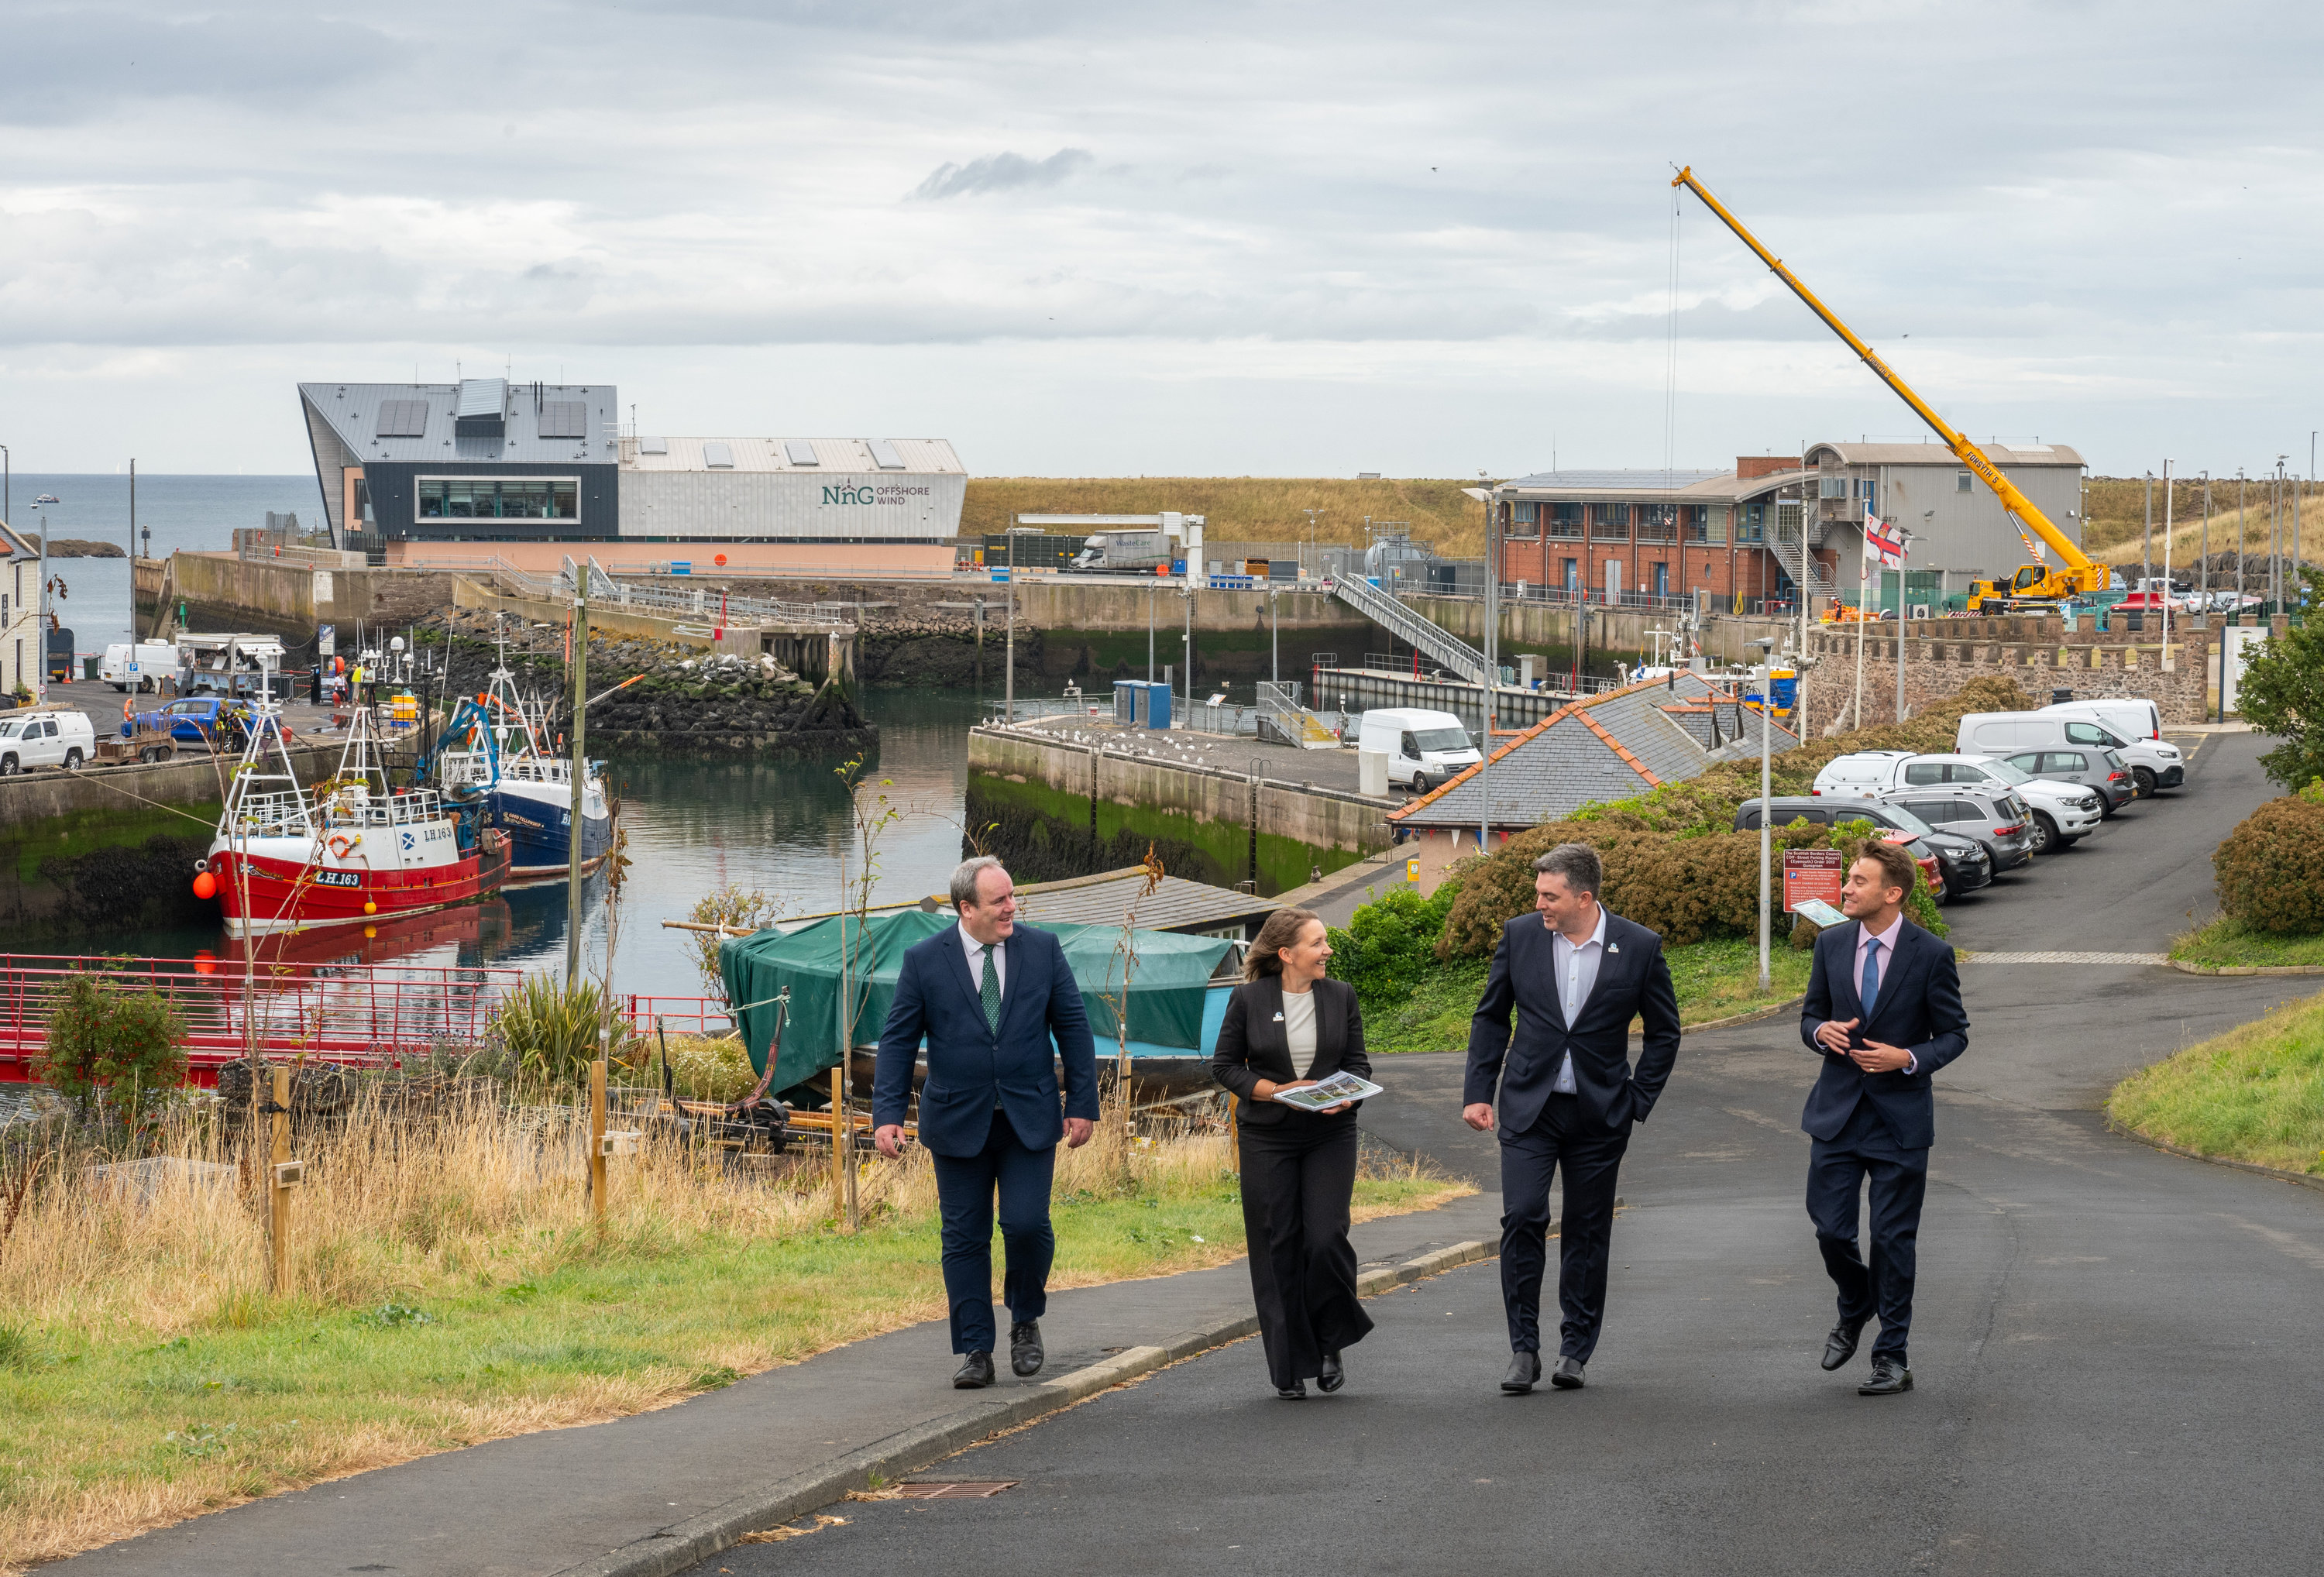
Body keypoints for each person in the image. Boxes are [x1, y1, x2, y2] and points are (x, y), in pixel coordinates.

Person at [873, 857, 1098, 1390]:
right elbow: (899, 1040)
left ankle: (1025, 1319)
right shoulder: (925, 960)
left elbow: (1074, 1027)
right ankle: (976, 1347)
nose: (1012, 908)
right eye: (999, 901)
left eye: (1013, 896)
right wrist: (887, 1114)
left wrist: (1082, 1103)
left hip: (1030, 1117)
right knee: (964, 1237)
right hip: (957, 1121)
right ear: (966, 908)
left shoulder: (1042, 950)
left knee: (1025, 1225)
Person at [1463, 843, 1680, 1394]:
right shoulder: (1521, 936)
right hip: (1528, 1108)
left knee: (1587, 1231)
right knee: (1523, 1217)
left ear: (1584, 897)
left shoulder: (1638, 946)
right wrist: (1478, 1092)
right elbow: (1491, 1017)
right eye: (1539, 893)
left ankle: (1575, 1350)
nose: (1540, 903)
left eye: (1549, 895)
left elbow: (1664, 1032)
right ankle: (1523, 1349)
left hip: (1599, 1114)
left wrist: (1637, 1099)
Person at [1798, 839, 1969, 1397]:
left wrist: (1910, 1058)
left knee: (1894, 1240)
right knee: (1831, 1230)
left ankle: (1891, 1356)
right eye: (1848, 879)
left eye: (1859, 881)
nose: (1846, 888)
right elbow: (1811, 1017)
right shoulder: (1830, 946)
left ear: (1892, 893)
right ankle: (1856, 1301)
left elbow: (1953, 1035)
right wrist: (1819, 1033)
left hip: (1899, 1121)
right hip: (1837, 1116)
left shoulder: (1931, 955)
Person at [1211, 908, 1373, 1400]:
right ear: (1287, 954)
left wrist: (1349, 1093)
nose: (1328, 950)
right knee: (1276, 1244)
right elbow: (1224, 1066)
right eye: (1319, 942)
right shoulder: (1248, 999)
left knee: (1325, 1238)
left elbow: (1358, 1064)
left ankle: (1330, 1340)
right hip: (1268, 1137)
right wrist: (1276, 1091)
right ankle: (1290, 1366)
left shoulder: (1341, 995)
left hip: (1330, 1135)